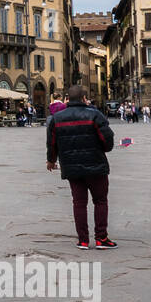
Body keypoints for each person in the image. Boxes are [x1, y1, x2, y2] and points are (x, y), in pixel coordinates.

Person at [46, 85, 117, 250]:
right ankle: (101, 238)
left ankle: (83, 240)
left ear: (67, 99)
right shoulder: (95, 115)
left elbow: (51, 142)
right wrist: (103, 149)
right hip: (96, 165)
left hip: (71, 167)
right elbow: (108, 140)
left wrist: (51, 160)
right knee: (100, 201)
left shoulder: (57, 118)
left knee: (79, 203)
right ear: (85, 98)